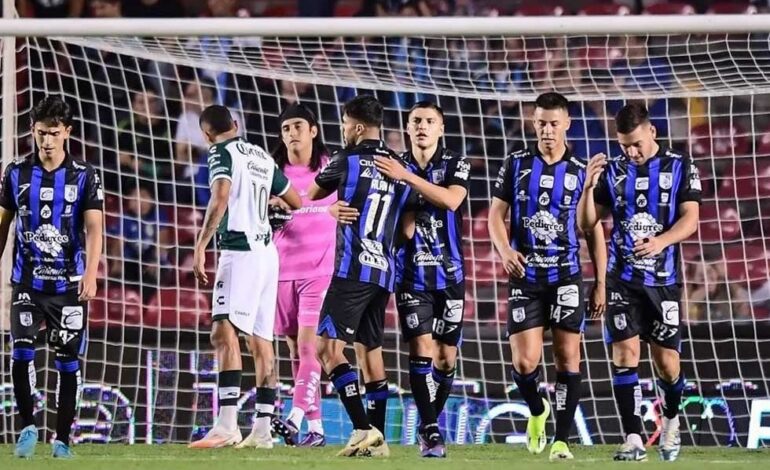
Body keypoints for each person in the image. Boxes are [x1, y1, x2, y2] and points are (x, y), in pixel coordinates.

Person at [335, 101, 469, 458]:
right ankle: (431, 431)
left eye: (429, 121)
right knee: (421, 349)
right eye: (416, 121)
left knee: (445, 359)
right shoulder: (392, 164)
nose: (422, 126)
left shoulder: (454, 163)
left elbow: (451, 201)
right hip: (411, 274)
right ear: (408, 128)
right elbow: (400, 225)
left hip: (450, 273)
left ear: (441, 128)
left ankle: (428, 421)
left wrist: (407, 180)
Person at [488, 92, 607, 461]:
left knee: (568, 358)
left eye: (554, 123)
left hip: (566, 276)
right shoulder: (516, 163)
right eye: (541, 122)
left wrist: (600, 283)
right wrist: (505, 251)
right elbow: (495, 216)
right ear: (533, 122)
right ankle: (537, 410)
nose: (547, 130)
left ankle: (562, 441)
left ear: (567, 123)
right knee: (524, 363)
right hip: (526, 276)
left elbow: (593, 231)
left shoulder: (580, 170)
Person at [579, 102, 701, 462]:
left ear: (652, 132)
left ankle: (672, 420)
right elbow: (587, 223)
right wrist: (587, 188)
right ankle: (633, 438)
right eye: (624, 146)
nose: (631, 152)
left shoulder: (681, 166)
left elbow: (691, 219)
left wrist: (661, 241)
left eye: (636, 144)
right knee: (625, 354)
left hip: (663, 282)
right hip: (622, 279)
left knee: (667, 365)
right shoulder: (613, 172)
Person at [308, 94, 415, 457]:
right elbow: (408, 229)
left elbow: (313, 193)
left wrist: (331, 209)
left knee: (326, 348)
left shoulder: (346, 159)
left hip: (352, 269)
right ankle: (379, 440)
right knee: (370, 353)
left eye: (344, 124)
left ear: (355, 127)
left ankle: (361, 428)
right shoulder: (399, 166)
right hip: (383, 271)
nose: (343, 130)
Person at [189, 105, 301, 449]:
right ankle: (263, 430)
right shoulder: (261, 155)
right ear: (235, 124)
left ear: (207, 135)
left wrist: (200, 244)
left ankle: (226, 425)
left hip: (239, 252)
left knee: (222, 331)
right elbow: (294, 200)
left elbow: (220, 195)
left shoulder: (219, 152)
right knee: (261, 340)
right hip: (268, 254)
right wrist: (264, 205)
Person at [1, 96, 104, 459]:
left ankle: (62, 440)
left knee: (67, 362)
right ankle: (28, 427)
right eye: (41, 133)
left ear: (67, 133)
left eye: (54, 133)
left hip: (68, 286)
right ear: (33, 130)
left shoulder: (85, 175)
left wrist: (91, 273)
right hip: (27, 283)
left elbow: (95, 228)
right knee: (21, 352)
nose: (47, 141)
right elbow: (3, 225)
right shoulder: (15, 173)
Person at [268, 103, 336, 447]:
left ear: (313, 130)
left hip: (319, 272)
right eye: (285, 128)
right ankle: (317, 429)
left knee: (311, 347)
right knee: (296, 351)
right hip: (281, 271)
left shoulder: (331, 167)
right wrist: (269, 209)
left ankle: (293, 418)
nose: (292, 133)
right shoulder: (272, 171)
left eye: (297, 126)